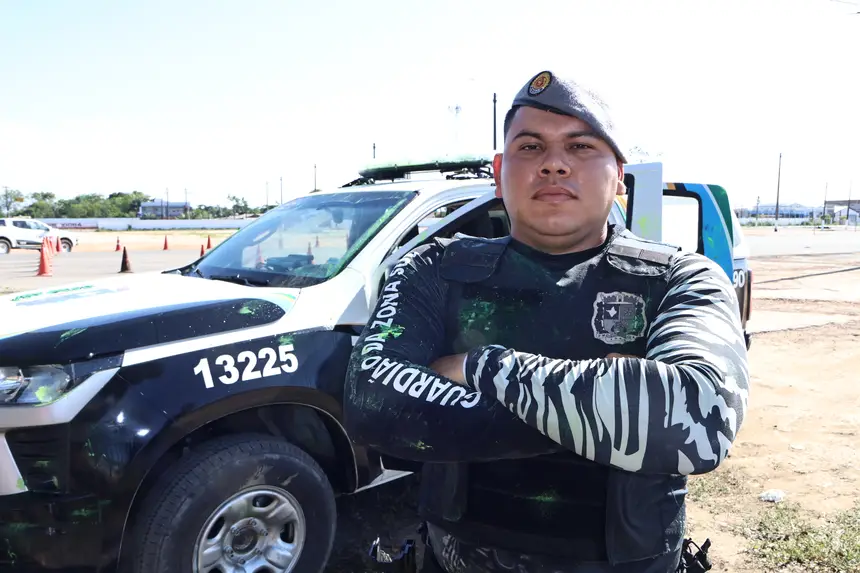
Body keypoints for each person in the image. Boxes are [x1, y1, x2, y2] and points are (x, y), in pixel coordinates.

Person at [344, 70, 749, 573]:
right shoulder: (434, 268)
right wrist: (615, 407)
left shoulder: (680, 278)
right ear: (500, 171)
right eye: (531, 147)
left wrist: (477, 367)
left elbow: (699, 417)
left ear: (619, 175)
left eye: (580, 147)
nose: (554, 163)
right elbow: (373, 401)